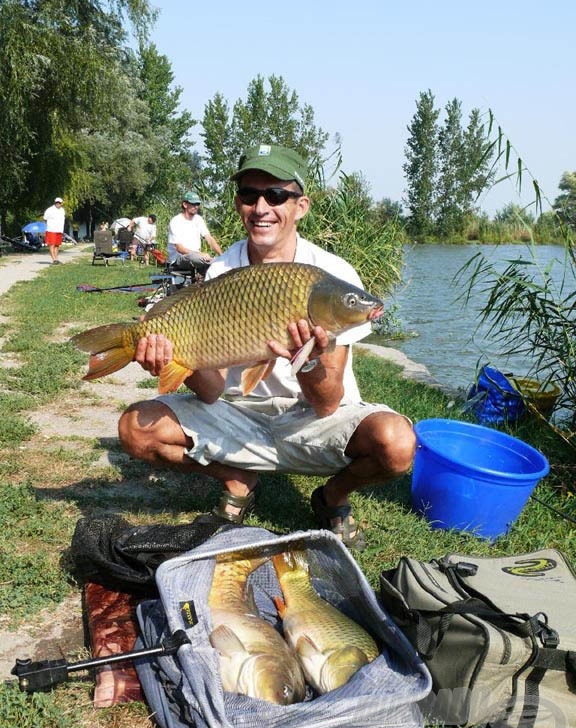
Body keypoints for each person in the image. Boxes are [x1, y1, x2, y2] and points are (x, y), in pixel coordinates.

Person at [118, 145, 416, 550]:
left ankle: (332, 497)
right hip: (241, 415)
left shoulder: (332, 275)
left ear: (301, 206)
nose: (261, 207)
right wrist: (176, 359)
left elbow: (328, 405)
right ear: (239, 203)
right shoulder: (223, 270)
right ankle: (237, 478)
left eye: (276, 195)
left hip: (312, 420)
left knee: (397, 444)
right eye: (249, 195)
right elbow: (211, 390)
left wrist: (310, 363)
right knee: (135, 429)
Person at [167, 191, 222, 276]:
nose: (196, 207)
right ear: (185, 205)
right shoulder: (176, 221)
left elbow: (209, 239)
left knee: (217, 260)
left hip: (197, 256)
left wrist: (222, 255)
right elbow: (180, 249)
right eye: (193, 204)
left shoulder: (199, 219)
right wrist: (201, 255)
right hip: (180, 257)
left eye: (197, 204)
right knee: (195, 257)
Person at [43, 197, 66, 264]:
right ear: (55, 203)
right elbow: (45, 218)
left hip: (59, 230)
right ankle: (53, 259)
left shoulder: (62, 210)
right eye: (57, 202)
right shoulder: (50, 210)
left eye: (59, 203)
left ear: (61, 203)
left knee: (57, 245)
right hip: (51, 229)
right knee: (52, 244)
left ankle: (56, 259)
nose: (58, 204)